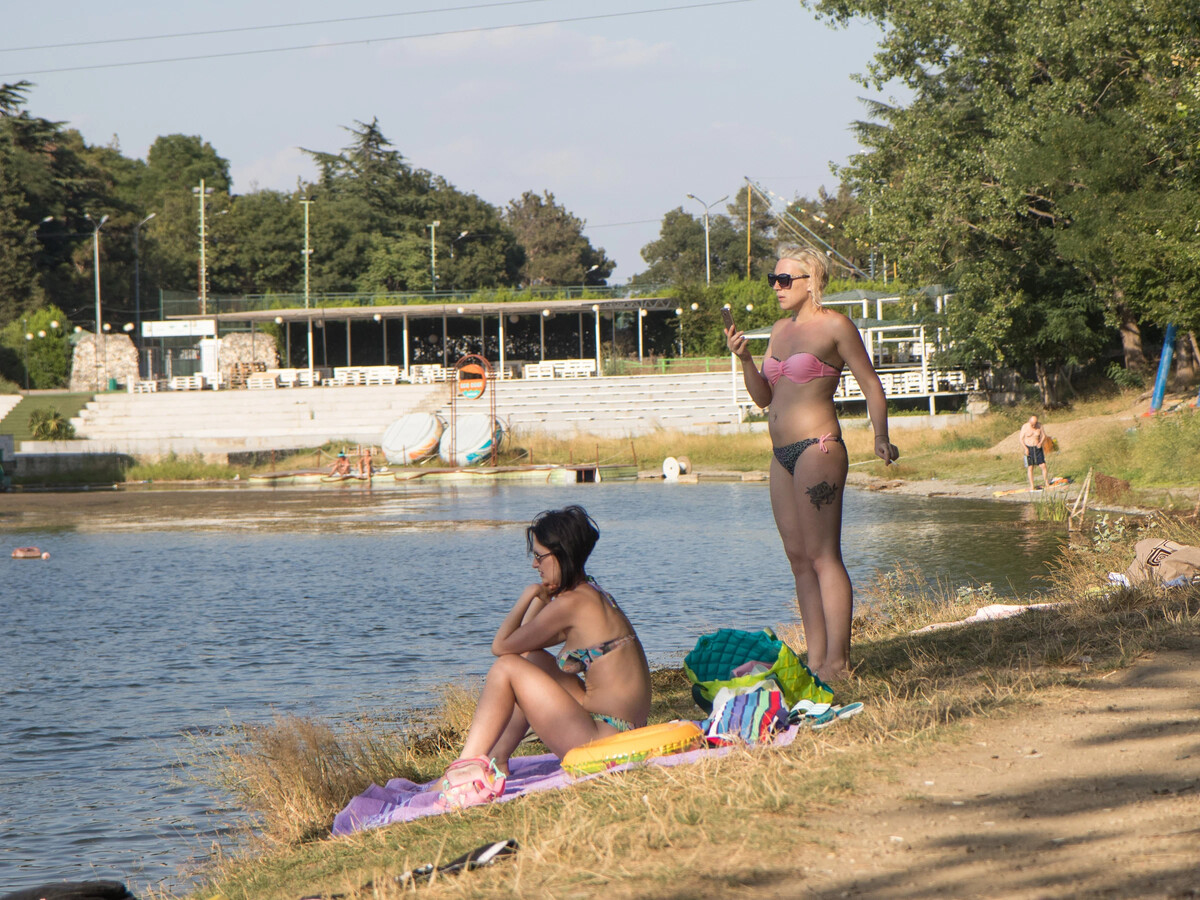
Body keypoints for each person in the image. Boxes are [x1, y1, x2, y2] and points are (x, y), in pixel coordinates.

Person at [726, 246, 897, 683]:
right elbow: (765, 397)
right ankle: (816, 659)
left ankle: (838, 662)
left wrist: (881, 436)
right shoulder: (779, 330)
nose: (777, 287)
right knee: (798, 558)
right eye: (773, 280)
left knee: (823, 556)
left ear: (811, 280)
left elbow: (871, 384)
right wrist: (745, 359)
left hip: (817, 449)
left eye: (785, 280)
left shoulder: (836, 326)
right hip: (780, 456)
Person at [441, 505, 651, 792]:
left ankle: (464, 768)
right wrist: (543, 597)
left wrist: (529, 595)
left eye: (539, 556)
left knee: (506, 668)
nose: (534, 565)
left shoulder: (569, 605)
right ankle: (497, 758)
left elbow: (501, 647)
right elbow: (527, 645)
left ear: (561, 554)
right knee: (532, 660)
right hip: (621, 729)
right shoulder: (591, 593)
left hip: (604, 741)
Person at [1019, 415, 1052, 491]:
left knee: (1043, 465)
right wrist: (1025, 448)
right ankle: (1032, 485)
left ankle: (1047, 483)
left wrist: (1041, 442)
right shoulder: (1025, 427)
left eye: (1035, 423)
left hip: (1037, 448)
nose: (1034, 425)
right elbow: (1021, 439)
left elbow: (1043, 436)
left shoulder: (1039, 425)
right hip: (1029, 448)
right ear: (1029, 421)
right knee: (1030, 467)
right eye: (1032, 424)